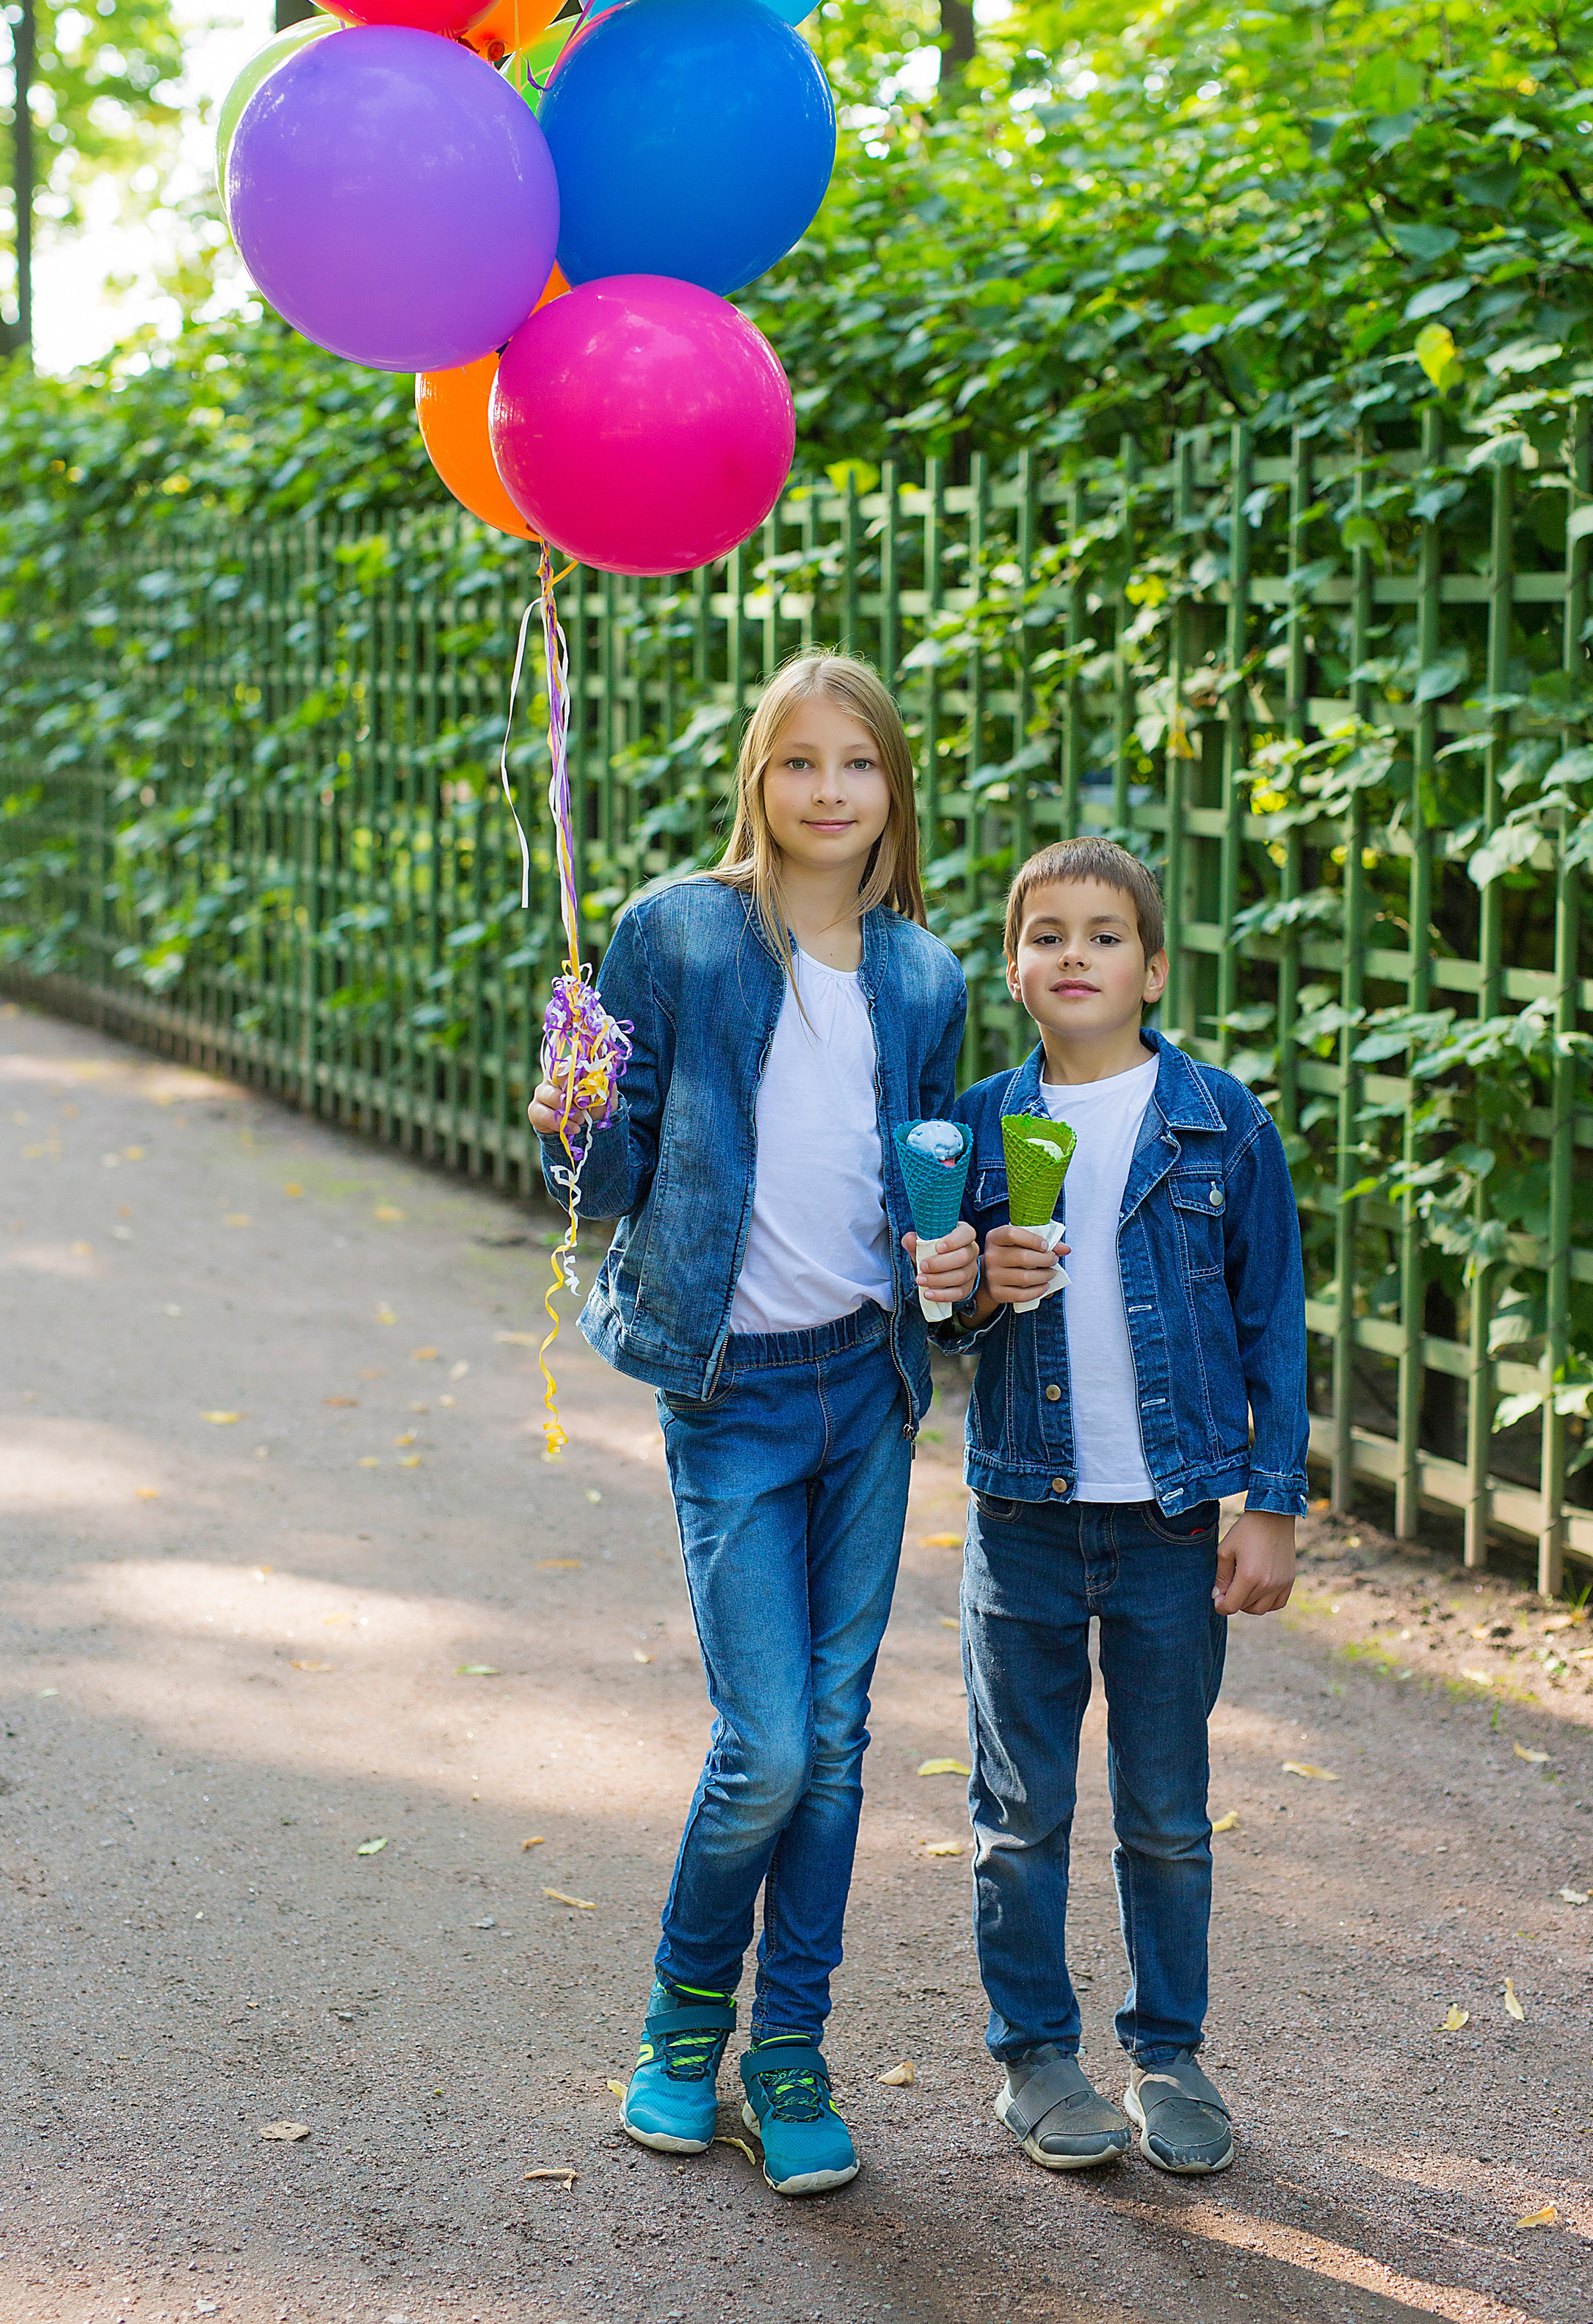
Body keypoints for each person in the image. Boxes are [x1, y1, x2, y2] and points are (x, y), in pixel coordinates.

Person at [527, 652, 977, 2197]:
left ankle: (789, 2052)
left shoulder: (923, 977)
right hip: (727, 1391)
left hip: (865, 1385)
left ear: (890, 792)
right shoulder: (679, 934)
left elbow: (936, 1185)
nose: (830, 791)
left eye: (858, 765)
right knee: (767, 1747)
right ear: (758, 782)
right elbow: (609, 1176)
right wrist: (571, 1120)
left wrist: (954, 1264)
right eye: (801, 764)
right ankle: (678, 2028)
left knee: (838, 1750)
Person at [942, 836, 1307, 2177]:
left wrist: (1269, 1503)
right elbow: (939, 1317)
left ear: (1152, 968)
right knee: (1020, 1806)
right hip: (1022, 1518)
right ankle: (1035, 2056)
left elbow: (1275, 1323)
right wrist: (978, 1280)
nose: (1076, 954)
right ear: (1017, 969)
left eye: (1105, 935)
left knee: (1164, 1806)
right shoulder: (975, 1126)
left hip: (1168, 1525)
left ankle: (1169, 2051)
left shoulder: (1219, 1119)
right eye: (1049, 935)